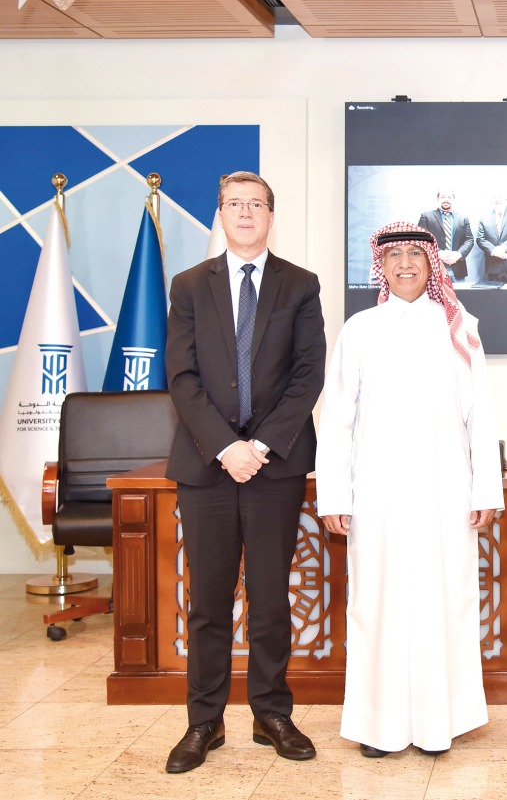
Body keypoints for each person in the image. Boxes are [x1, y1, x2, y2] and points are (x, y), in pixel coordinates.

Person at [316, 222, 504, 758]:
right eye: (393, 255)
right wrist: (334, 496)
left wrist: (484, 491)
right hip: (376, 496)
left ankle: (437, 724)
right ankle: (380, 727)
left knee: (443, 603)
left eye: (413, 255)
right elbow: (337, 420)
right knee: (378, 606)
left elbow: (480, 415)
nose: (404, 264)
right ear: (381, 265)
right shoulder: (360, 328)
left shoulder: (460, 327)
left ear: (431, 263)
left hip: (446, 493)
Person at [164, 171, 325, 773]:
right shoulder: (188, 285)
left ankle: (270, 714)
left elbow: (309, 374)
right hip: (206, 467)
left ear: (270, 215)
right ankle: (204, 721)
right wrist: (225, 446)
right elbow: (181, 376)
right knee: (207, 600)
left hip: (274, 465)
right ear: (221, 216)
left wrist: (258, 446)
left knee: (269, 596)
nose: (245, 213)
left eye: (256, 204)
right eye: (234, 204)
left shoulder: (301, 286)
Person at [417, 189, 474, 281]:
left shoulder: (463, 219)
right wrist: (437, 253)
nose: (446, 200)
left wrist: (458, 254)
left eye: (449, 197)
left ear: (453, 200)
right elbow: (421, 239)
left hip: (457, 269)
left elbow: (469, 240)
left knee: (459, 295)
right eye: (443, 197)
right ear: (438, 199)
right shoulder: (426, 216)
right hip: (434, 268)